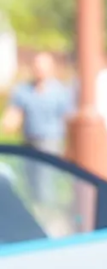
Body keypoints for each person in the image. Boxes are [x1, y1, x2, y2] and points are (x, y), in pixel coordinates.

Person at [1, 52, 74, 203]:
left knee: (45, 181)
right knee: (29, 181)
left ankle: (46, 209)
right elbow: (14, 114)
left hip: (50, 142)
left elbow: (67, 118)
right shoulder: (23, 90)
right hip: (29, 141)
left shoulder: (60, 92)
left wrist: (70, 147)